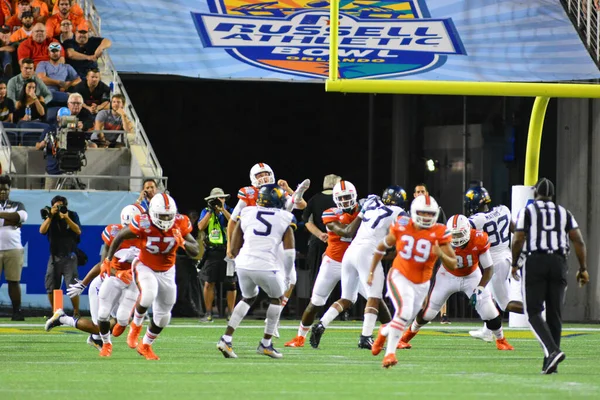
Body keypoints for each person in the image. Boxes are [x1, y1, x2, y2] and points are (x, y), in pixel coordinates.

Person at [309, 186, 407, 349]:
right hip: (368, 253)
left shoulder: (371, 207)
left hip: (350, 252)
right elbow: (406, 230)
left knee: (347, 298)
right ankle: (365, 337)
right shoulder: (397, 211)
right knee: (374, 297)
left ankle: (321, 324)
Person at [398, 214, 515, 352]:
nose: (456, 238)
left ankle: (501, 340)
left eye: (459, 234)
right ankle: (404, 338)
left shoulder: (479, 238)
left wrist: (480, 288)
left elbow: (489, 268)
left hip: (472, 276)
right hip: (447, 275)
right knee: (428, 313)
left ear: (467, 231)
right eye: (454, 235)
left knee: (489, 311)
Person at [105, 193, 199, 360]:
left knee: (164, 316)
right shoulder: (143, 221)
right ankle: (135, 326)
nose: (166, 219)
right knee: (148, 294)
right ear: (153, 213)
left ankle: (146, 345)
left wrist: (182, 243)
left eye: (169, 215)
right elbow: (120, 236)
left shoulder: (180, 222)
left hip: (168, 271)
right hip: (144, 265)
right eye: (162, 215)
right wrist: (108, 259)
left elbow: (195, 250)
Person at [368, 194, 457, 368]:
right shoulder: (402, 226)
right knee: (404, 312)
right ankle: (390, 354)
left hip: (422, 283)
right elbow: (381, 247)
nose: (426, 217)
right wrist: (371, 271)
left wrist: (441, 254)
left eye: (430, 214)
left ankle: (384, 331)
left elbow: (453, 264)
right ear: (414, 212)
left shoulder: (440, 232)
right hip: (400, 275)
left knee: (405, 318)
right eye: (423, 213)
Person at [512, 178, 589, 374]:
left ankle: (553, 351)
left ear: (535, 193)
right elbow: (578, 241)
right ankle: (549, 362)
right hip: (559, 262)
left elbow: (518, 238)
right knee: (554, 313)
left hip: (536, 261)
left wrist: (514, 263)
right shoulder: (564, 212)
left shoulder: (528, 211)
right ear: (552, 195)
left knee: (533, 312)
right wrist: (583, 268)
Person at [44, 205, 143, 350]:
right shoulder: (115, 234)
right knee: (100, 328)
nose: (131, 231)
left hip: (124, 286)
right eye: (129, 227)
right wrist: (83, 284)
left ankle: (95, 339)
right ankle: (63, 318)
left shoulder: (146, 236)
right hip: (104, 285)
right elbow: (103, 265)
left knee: (123, 320)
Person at [216, 184, 295, 359]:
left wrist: (234, 255)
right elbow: (289, 253)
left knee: (248, 297)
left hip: (243, 263)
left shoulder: (248, 212)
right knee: (277, 298)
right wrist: (288, 275)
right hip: (266, 265)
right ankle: (266, 344)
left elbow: (236, 240)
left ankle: (226, 338)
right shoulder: (285, 216)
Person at [285, 180, 365, 348]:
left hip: (354, 263)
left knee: (365, 298)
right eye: (341, 198)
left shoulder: (363, 210)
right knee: (316, 302)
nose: (345, 201)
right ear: (335, 199)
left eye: (348, 197)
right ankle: (300, 337)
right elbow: (346, 231)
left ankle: (386, 335)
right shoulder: (330, 213)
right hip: (333, 262)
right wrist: (363, 214)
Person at [464, 185, 524, 342]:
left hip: (495, 264)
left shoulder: (477, 220)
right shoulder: (503, 209)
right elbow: (516, 230)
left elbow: (461, 232)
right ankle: (487, 331)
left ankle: (538, 310)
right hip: (507, 257)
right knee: (491, 296)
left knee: (505, 304)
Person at [413, 183, 450, 324]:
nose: (421, 193)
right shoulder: (412, 210)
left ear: (427, 193)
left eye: (423, 191)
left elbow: (444, 229)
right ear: (415, 195)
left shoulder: (436, 209)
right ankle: (423, 312)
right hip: (420, 251)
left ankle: (443, 314)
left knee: (440, 281)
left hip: (435, 250)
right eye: (418, 191)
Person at [39, 194, 81, 316]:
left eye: (61, 206)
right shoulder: (50, 216)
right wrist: (50, 216)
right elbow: (42, 231)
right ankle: (55, 312)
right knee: (51, 285)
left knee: (72, 286)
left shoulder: (72, 215)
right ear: (52, 206)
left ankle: (76, 312)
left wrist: (66, 218)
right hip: (54, 256)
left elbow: (78, 231)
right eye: (56, 206)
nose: (59, 208)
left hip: (69, 255)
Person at [197, 187, 235, 322]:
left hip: (228, 251)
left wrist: (223, 209)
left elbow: (235, 223)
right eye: (216, 199)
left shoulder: (230, 210)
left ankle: (231, 314)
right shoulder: (206, 211)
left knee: (231, 283)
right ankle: (208, 313)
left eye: (221, 198)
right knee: (209, 282)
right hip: (212, 251)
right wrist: (211, 210)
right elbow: (200, 226)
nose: (219, 201)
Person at [302, 174, 339, 287]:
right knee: (339, 278)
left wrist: (320, 235)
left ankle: (316, 303)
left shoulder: (314, 199)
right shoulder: (341, 199)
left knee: (317, 277)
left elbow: (307, 221)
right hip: (338, 242)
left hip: (318, 242)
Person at [0, 175, 27, 320]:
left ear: (9, 190)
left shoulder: (17, 204)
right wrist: (11, 219)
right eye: (0, 190)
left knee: (14, 281)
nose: (3, 192)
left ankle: (17, 311)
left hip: (13, 248)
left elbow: (22, 216)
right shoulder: (14, 208)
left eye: (5, 189)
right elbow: (16, 218)